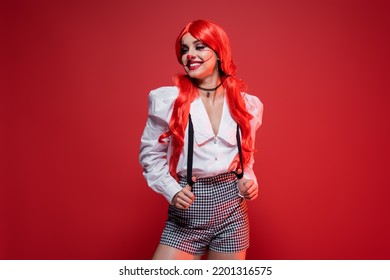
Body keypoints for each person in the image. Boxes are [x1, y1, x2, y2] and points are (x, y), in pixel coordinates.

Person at [139, 19, 263, 260]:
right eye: (184, 50)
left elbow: (245, 158)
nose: (190, 55)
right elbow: (150, 157)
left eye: (199, 47)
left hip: (232, 208)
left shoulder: (248, 105)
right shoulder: (167, 101)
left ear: (219, 52)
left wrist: (248, 181)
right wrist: (171, 190)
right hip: (189, 207)